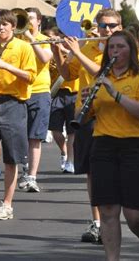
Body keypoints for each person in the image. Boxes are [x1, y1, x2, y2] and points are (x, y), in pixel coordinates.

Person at [83, 30, 139, 260]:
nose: (115, 51)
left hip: (136, 146)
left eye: (120, 47)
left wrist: (115, 94)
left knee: (134, 216)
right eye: (111, 47)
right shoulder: (98, 79)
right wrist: (85, 106)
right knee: (108, 211)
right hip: (104, 145)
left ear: (132, 51)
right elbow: (83, 116)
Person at [54, 8, 122, 243]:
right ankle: (97, 223)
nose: (107, 30)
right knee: (92, 172)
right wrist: (57, 51)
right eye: (103, 26)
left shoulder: (121, 50)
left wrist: (76, 52)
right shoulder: (87, 47)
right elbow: (66, 73)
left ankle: (111, 221)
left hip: (113, 115)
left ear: (120, 28)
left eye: (112, 26)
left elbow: (104, 72)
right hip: (87, 116)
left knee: (112, 171)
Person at [0, 9, 37, 220]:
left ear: (13, 27)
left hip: (14, 103)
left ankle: (7, 204)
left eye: (5, 25)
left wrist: (5, 65)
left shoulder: (24, 47)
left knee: (11, 157)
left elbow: (31, 77)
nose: (0, 28)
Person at [17, 7, 53, 193]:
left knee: (35, 137)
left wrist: (31, 39)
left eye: (31, 18)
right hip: (19, 92)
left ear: (39, 21)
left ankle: (31, 176)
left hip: (39, 92)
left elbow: (45, 58)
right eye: (25, 18)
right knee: (18, 137)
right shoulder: (16, 40)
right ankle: (21, 169)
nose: (28, 22)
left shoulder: (44, 40)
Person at [45, 28, 79, 173]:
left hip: (74, 92)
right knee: (55, 130)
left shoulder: (78, 50)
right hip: (57, 92)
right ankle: (64, 151)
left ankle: (70, 161)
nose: (65, 40)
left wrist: (68, 52)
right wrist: (57, 51)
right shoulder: (56, 51)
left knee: (72, 131)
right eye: (63, 37)